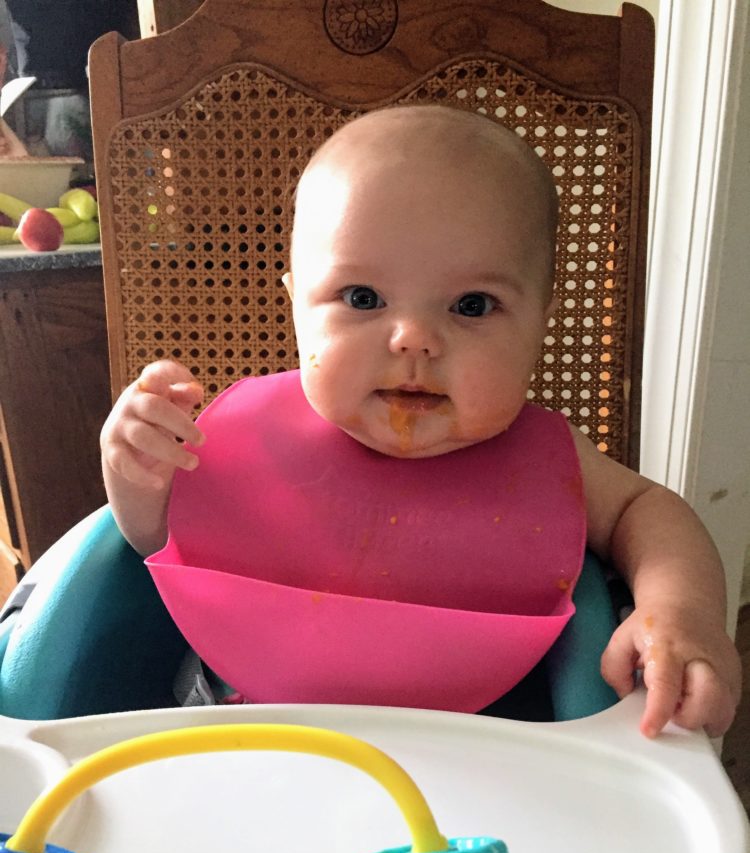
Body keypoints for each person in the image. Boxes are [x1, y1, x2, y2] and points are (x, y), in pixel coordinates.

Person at [100, 105, 741, 738]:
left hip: (478, 746)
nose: (413, 340)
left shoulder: (548, 460)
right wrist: (139, 472)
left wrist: (680, 608)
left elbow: (647, 510)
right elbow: (158, 542)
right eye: (362, 298)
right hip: (236, 726)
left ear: (540, 319)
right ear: (296, 305)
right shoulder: (241, 434)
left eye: (472, 305)